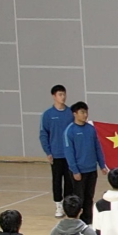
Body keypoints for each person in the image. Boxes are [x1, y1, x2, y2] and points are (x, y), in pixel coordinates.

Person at [63, 102, 107, 223]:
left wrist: (102, 165)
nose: (85, 115)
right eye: (82, 112)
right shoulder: (69, 131)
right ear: (75, 114)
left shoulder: (91, 129)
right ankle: (77, 221)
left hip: (91, 169)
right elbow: (69, 153)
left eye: (86, 112)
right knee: (79, 198)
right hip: (79, 171)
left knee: (89, 196)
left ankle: (88, 219)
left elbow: (97, 147)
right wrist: (75, 170)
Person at [40, 84, 74, 215]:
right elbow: (44, 134)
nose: (63, 97)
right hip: (56, 153)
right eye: (60, 94)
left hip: (69, 154)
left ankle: (68, 204)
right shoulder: (48, 114)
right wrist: (48, 152)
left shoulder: (71, 113)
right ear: (53, 96)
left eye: (64, 94)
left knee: (69, 181)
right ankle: (58, 205)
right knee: (57, 180)